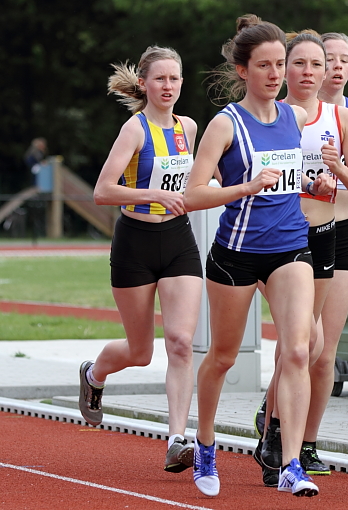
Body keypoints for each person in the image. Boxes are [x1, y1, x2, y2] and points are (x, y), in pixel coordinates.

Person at [183, 15, 333, 498]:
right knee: (223, 356)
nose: (275, 74)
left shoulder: (296, 117)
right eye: (264, 66)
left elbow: (288, 178)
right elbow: (193, 193)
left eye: (280, 65)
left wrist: (313, 184)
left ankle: (291, 462)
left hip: (291, 248)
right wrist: (244, 187)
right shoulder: (226, 124)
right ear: (243, 70)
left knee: (298, 349)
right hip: (236, 254)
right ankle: (205, 445)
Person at [253, 29, 348, 486]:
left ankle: (289, 435)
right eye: (298, 64)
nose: (308, 72)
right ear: (284, 68)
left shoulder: (342, 119)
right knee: (305, 341)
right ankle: (278, 430)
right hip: (282, 237)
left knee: (319, 348)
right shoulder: (267, 117)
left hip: (333, 233)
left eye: (316, 65)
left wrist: (335, 174)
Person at [79, 46, 203, 475]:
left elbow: (206, 177)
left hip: (178, 242)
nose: (168, 86)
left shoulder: (188, 127)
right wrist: (155, 194)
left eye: (175, 78)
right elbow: (102, 191)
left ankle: (177, 439)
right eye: (160, 79)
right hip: (135, 242)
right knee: (141, 351)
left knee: (181, 343)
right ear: (145, 85)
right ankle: (94, 375)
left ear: (182, 82)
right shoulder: (134, 129)